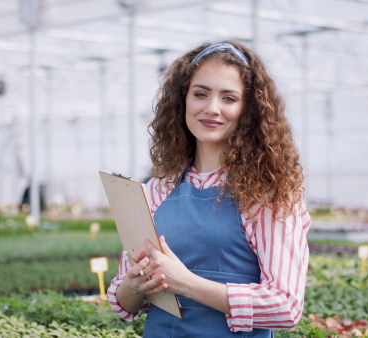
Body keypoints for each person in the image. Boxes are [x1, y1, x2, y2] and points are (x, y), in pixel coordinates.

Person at [107, 41, 311, 337]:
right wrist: (134, 285)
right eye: (200, 94)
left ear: (248, 110)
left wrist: (185, 283)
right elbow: (122, 304)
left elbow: (286, 306)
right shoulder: (156, 190)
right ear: (183, 100)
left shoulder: (268, 196)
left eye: (229, 98)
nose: (211, 108)